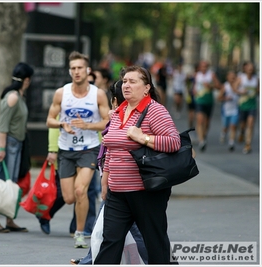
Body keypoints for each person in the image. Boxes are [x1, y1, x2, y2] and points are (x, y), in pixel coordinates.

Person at [94, 65, 181, 264]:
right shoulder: (118, 112)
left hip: (146, 191)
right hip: (117, 192)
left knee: (155, 242)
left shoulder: (155, 111)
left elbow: (174, 142)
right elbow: (111, 150)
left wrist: (144, 137)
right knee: (110, 242)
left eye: (133, 82)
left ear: (146, 88)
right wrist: (106, 181)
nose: (126, 85)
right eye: (124, 81)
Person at [71, 79, 149, 265]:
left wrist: (106, 181)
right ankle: (90, 260)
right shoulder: (118, 118)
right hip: (116, 184)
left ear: (114, 100)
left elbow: (112, 152)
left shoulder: (127, 118)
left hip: (126, 185)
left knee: (138, 231)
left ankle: (157, 260)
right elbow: (108, 155)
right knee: (111, 228)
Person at [46, 51, 110, 248]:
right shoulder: (61, 93)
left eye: (80, 68)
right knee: (69, 197)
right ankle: (79, 226)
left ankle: (80, 233)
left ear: (87, 70)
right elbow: (49, 120)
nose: (76, 72)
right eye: (73, 68)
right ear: (69, 71)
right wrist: (61, 125)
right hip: (66, 149)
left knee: (81, 191)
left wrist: (88, 126)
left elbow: (109, 121)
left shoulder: (97, 94)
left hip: (89, 148)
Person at [0, 62, 34, 233]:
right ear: (26, 80)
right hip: (8, 143)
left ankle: (9, 219)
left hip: (17, 144)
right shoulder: (13, 96)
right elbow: (3, 125)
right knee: (2, 182)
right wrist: (1, 148)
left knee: (12, 184)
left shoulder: (19, 95)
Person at [193, 60, 221, 151]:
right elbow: (195, 86)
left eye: (205, 66)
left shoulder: (211, 75)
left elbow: (219, 86)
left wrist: (210, 86)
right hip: (199, 100)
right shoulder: (197, 75)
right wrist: (194, 91)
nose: (204, 68)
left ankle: (203, 136)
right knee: (200, 120)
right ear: (200, 67)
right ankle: (201, 141)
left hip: (209, 101)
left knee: (207, 122)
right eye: (202, 66)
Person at [234, 61, 259, 154]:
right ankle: (242, 132)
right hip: (242, 105)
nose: (250, 70)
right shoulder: (241, 78)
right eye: (249, 68)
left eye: (252, 68)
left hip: (252, 105)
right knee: (243, 124)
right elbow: (234, 88)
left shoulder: (256, 79)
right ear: (245, 69)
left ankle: (248, 144)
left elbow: (258, 90)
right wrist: (241, 92)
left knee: (251, 124)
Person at [218, 70, 239, 151]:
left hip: (235, 110)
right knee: (225, 127)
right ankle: (223, 134)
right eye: (231, 77)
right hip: (226, 110)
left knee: (233, 126)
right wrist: (225, 98)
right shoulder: (225, 86)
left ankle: (231, 142)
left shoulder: (238, 86)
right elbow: (219, 98)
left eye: (234, 77)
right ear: (227, 78)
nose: (233, 79)